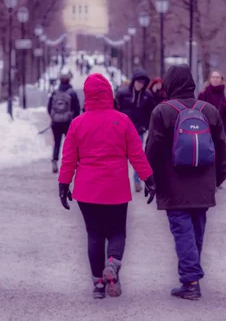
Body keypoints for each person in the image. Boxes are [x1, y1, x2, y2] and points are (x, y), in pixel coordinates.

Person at [58, 73, 156, 299]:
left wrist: (63, 185)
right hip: (116, 188)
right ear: (109, 94)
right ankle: (112, 263)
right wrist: (149, 180)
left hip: (87, 189)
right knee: (117, 231)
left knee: (94, 234)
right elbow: (137, 155)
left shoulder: (78, 123)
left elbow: (69, 158)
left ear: (87, 96)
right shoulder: (122, 120)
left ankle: (98, 284)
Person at [145, 64, 226, 301]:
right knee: (195, 233)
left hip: (173, 186)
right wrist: (215, 180)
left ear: (170, 84)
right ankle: (189, 277)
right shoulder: (209, 110)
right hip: (202, 185)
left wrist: (150, 179)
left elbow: (152, 150)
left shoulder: (162, 111)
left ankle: (191, 282)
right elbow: (223, 151)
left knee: (183, 232)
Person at [115, 69, 155, 192]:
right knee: (119, 156)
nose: (140, 84)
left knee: (137, 156)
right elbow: (115, 110)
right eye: (138, 82)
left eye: (142, 83)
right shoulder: (122, 93)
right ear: (133, 81)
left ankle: (137, 180)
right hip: (122, 130)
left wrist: (146, 126)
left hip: (139, 130)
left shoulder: (147, 96)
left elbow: (150, 113)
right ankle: (119, 180)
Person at [48, 71, 81, 173]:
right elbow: (77, 109)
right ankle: (69, 163)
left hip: (56, 122)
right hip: (68, 122)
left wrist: (54, 117)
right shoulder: (72, 93)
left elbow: (49, 107)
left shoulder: (55, 92)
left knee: (57, 143)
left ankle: (55, 161)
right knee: (70, 144)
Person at [198, 70, 226, 139]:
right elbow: (197, 109)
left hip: (223, 129)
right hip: (206, 128)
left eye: (217, 77)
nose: (215, 79)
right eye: (213, 77)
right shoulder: (203, 93)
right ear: (209, 79)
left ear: (221, 79)